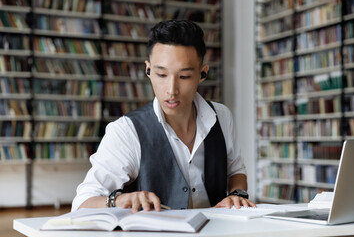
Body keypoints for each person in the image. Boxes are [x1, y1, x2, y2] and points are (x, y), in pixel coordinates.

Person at [72, 20, 255, 213]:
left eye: (184, 77)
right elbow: (82, 202)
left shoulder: (222, 117)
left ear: (203, 73)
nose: (171, 90)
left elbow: (236, 170)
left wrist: (238, 194)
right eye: (161, 75)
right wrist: (119, 199)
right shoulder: (126, 131)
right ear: (148, 70)